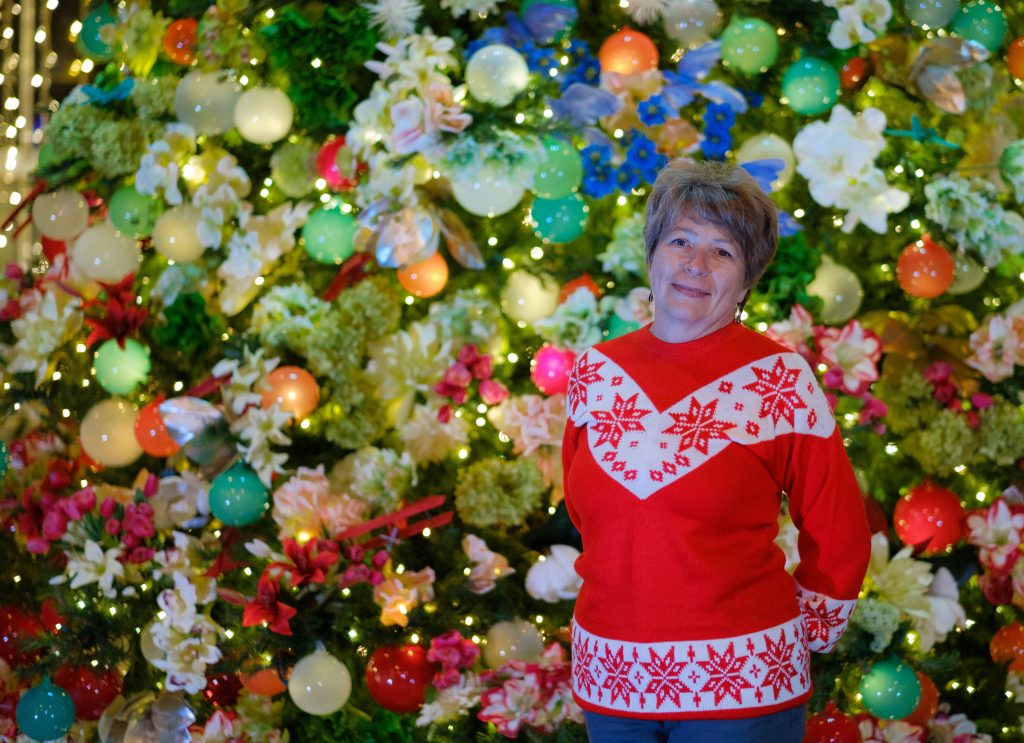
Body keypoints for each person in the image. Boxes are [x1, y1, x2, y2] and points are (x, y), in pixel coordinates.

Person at [561, 159, 871, 742]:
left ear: (747, 278)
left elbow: (837, 526)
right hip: (612, 675)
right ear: (653, 254)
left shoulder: (779, 380)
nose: (695, 265)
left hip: (746, 682)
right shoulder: (595, 372)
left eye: (722, 251)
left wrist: (797, 634)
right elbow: (589, 516)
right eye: (680, 241)